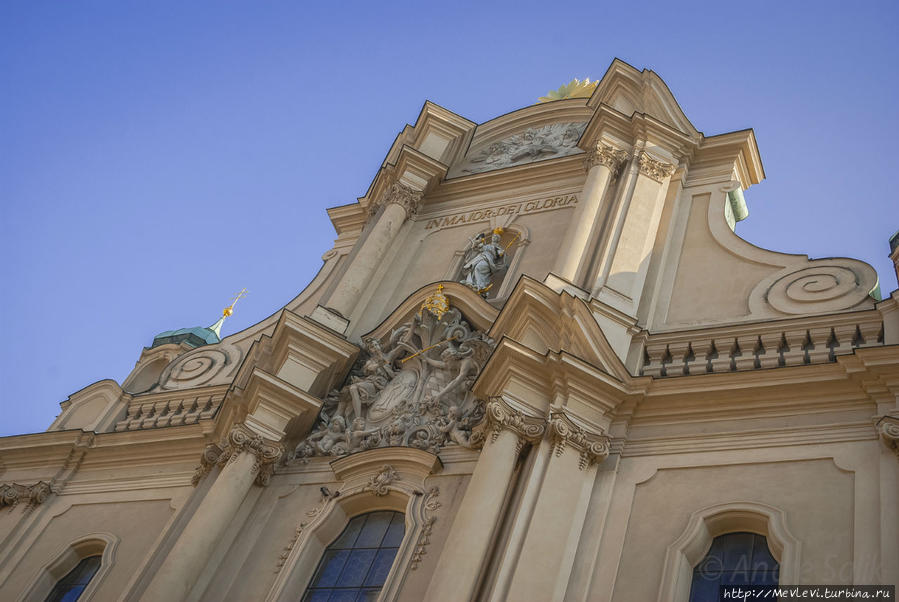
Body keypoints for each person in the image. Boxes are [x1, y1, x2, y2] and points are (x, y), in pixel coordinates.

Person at [461, 229, 506, 295]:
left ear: (498, 239)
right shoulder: (487, 245)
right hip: (480, 257)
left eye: (496, 237)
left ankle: (480, 286)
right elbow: (479, 249)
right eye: (493, 236)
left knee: (478, 268)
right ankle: (471, 283)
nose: (494, 238)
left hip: (488, 259)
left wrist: (501, 254)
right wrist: (476, 245)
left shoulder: (498, 248)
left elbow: (499, 255)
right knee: (473, 268)